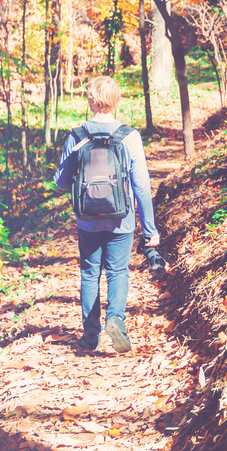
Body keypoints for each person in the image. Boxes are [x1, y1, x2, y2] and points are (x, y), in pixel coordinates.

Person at [55, 76, 160, 353]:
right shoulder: (130, 137)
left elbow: (62, 183)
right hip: (121, 219)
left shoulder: (77, 135)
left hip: (87, 221)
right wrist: (150, 230)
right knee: (117, 272)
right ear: (116, 101)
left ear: (91, 101)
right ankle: (116, 320)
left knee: (90, 274)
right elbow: (141, 186)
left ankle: (91, 334)